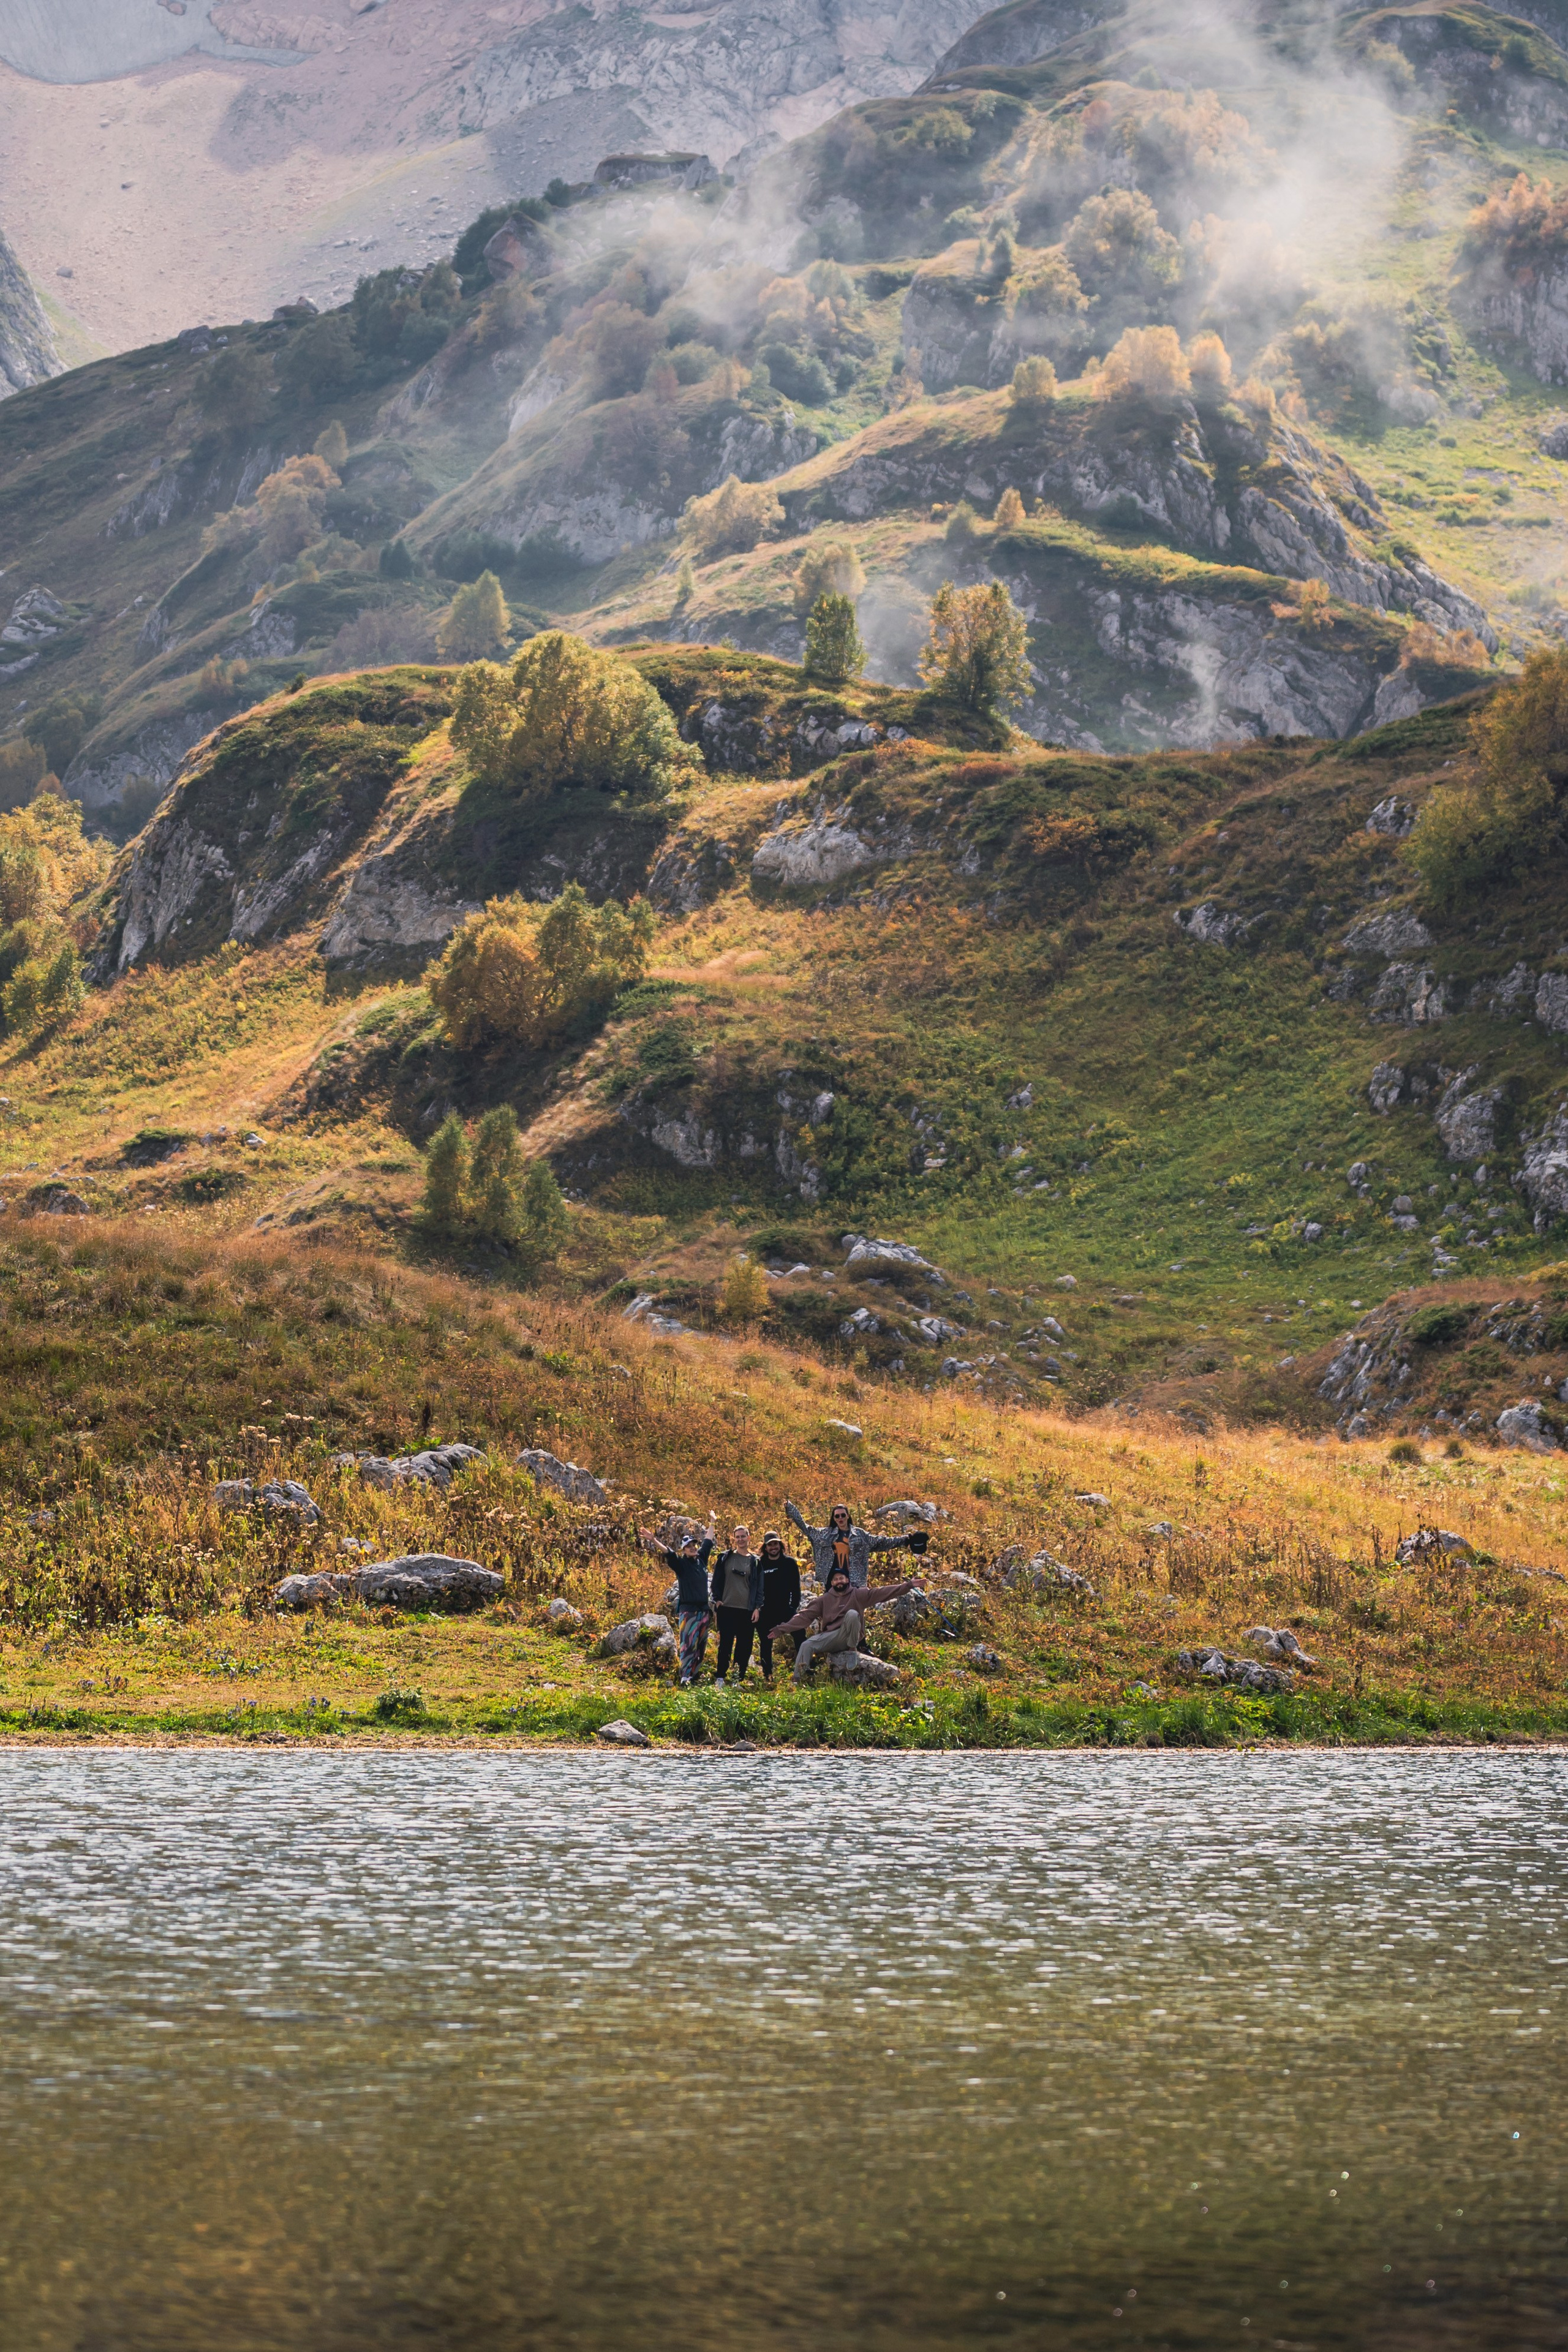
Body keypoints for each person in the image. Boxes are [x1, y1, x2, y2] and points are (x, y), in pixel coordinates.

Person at [769, 1560, 918, 1686]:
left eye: (842, 1578)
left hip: (850, 1637)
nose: (839, 1581)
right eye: (836, 1579)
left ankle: (852, 1651)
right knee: (806, 1645)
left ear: (847, 1580)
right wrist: (781, 1629)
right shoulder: (824, 1600)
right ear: (832, 1583)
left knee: (853, 1614)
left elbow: (882, 1593)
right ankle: (798, 1679)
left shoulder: (858, 1594)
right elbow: (804, 1616)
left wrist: (908, 1585)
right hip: (832, 1637)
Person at [638, 1520, 714, 1686]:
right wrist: (653, 1540)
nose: (693, 1548)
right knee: (688, 1645)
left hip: (704, 1611)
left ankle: (694, 1676)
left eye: (694, 1545)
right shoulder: (681, 1564)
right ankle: (685, 1677)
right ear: (684, 1550)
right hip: (689, 1612)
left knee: (701, 1647)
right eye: (689, 1547)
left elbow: (708, 1541)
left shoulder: (701, 1560)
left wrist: (712, 1522)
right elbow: (668, 1553)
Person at [785, 1498, 914, 1589]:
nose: (840, 1518)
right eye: (837, 1516)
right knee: (834, 1617)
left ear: (848, 1516)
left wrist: (906, 1539)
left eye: (842, 1515)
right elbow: (806, 1528)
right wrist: (791, 1509)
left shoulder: (860, 1535)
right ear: (834, 1519)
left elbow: (883, 1542)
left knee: (856, 1615)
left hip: (855, 1583)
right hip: (832, 1582)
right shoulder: (825, 1534)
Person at [710, 1523, 763, 1688]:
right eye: (737, 1537)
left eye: (743, 1536)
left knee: (744, 1647)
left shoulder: (756, 1562)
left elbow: (760, 1587)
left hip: (746, 1610)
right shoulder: (725, 1558)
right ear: (734, 1539)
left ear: (749, 1538)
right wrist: (717, 1599)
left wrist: (757, 1608)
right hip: (727, 1608)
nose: (740, 1539)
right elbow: (716, 1581)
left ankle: (737, 1679)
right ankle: (720, 1677)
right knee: (725, 1645)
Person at [755, 1528, 801, 1687]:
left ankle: (802, 1671)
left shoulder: (790, 1563)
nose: (773, 1547)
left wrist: (793, 1608)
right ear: (765, 1548)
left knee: (800, 1634)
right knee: (766, 1643)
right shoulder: (759, 1564)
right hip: (766, 1610)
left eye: (776, 1544)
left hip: (785, 1609)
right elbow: (754, 1588)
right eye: (770, 1545)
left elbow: (796, 1590)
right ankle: (768, 1676)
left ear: (781, 1545)